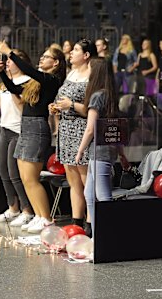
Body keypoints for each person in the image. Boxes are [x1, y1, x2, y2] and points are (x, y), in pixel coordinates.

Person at [0, 40, 66, 233]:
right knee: (25, 178)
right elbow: (15, 89)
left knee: (31, 178)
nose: (41, 58)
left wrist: (10, 53)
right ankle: (40, 216)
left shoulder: (52, 80)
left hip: (37, 128)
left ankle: (46, 219)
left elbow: (30, 71)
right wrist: (1, 72)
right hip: (26, 126)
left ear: (56, 63)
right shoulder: (36, 81)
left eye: (46, 56)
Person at [0, 50, 34, 225]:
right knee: (3, 171)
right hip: (4, 130)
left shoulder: (27, 82)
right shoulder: (5, 83)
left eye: (11, 60)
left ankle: (27, 210)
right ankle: (13, 207)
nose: (7, 62)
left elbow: (21, 109)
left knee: (14, 174)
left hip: (19, 131)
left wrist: (9, 85)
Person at [75, 57, 128, 238]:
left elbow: (91, 128)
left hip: (99, 152)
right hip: (105, 151)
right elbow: (115, 127)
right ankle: (99, 236)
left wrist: (80, 150)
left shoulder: (97, 97)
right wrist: (121, 153)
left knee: (103, 196)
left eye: (89, 68)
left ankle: (109, 237)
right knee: (90, 194)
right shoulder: (110, 95)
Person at [52, 39, 98, 229]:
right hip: (66, 128)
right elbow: (62, 98)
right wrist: (56, 107)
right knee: (73, 180)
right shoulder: (71, 72)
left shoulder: (92, 75)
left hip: (81, 129)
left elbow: (92, 108)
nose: (71, 53)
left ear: (86, 55)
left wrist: (71, 105)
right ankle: (76, 220)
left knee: (85, 178)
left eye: (76, 50)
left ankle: (90, 221)